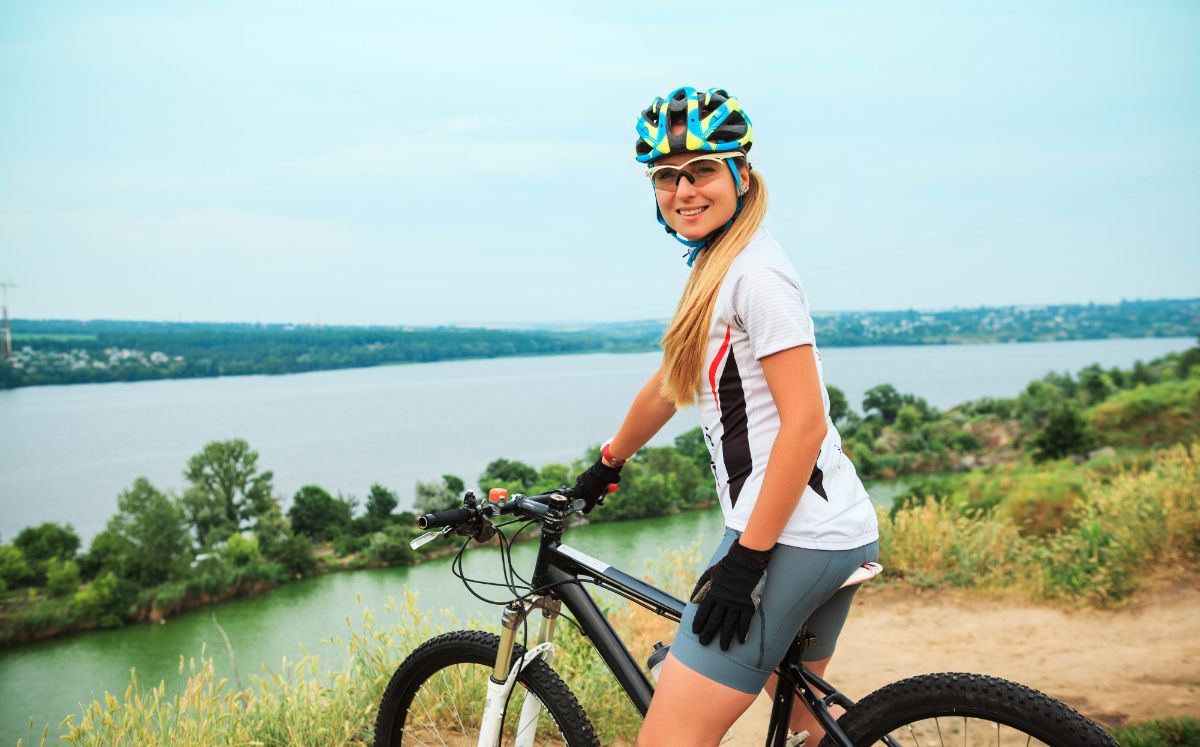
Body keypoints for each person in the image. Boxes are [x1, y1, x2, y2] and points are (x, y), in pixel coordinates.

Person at [572, 87, 880, 746]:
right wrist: (607, 463)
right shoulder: (721, 265)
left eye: (702, 170)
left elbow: (804, 424)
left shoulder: (756, 278)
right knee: (803, 730)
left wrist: (746, 563)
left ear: (740, 174)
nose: (683, 189)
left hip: (787, 538)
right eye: (666, 177)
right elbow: (671, 381)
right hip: (827, 529)